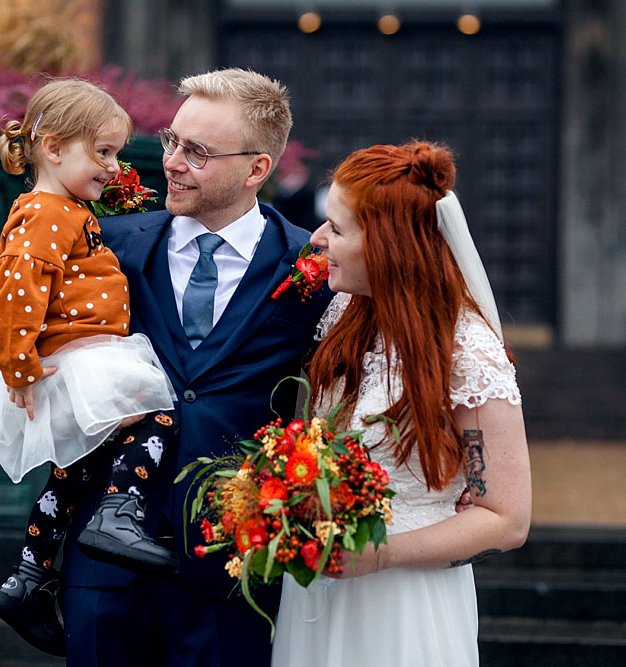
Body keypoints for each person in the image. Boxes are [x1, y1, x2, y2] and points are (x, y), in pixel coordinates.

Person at [55, 68, 333, 666]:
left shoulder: (311, 266)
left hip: (233, 564)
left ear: (257, 168)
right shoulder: (110, 243)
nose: (173, 163)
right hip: (103, 567)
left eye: (197, 152)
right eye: (171, 142)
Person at [271, 142, 532, 667]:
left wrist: (378, 554)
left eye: (338, 229)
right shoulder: (341, 315)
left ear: (388, 245)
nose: (319, 239)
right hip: (316, 595)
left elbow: (507, 519)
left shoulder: (467, 355)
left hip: (407, 603)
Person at [0, 78, 182, 657]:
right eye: (102, 152)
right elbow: (13, 286)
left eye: (115, 153)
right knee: (155, 418)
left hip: (75, 358)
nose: (113, 166)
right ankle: (118, 514)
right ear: (54, 149)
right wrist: (17, 364)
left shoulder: (64, 208)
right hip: (76, 358)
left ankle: (29, 578)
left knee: (73, 470)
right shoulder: (48, 214)